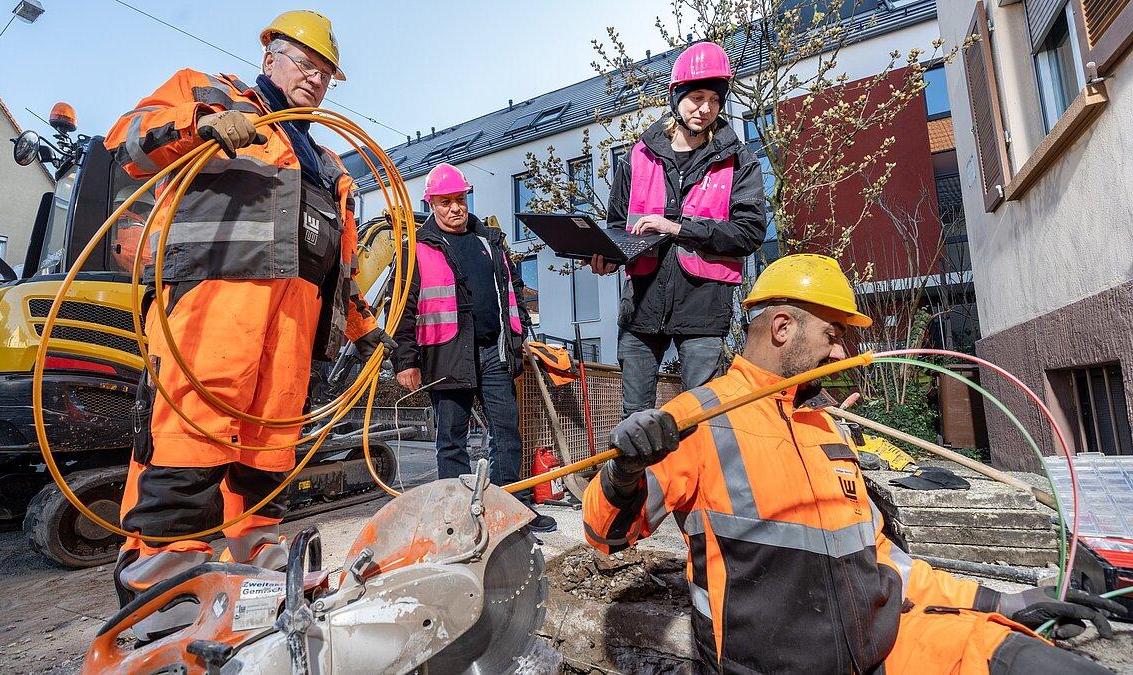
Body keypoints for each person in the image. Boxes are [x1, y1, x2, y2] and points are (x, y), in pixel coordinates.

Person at [583, 253, 1123, 673]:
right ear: (782, 329)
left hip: (883, 651)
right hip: (770, 670)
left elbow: (887, 563)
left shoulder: (825, 429)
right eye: (832, 335)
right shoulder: (697, 418)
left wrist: (1005, 600)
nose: (841, 354)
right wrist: (624, 472)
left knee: (1028, 661)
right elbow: (603, 533)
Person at [104, 10, 394, 627]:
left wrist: (365, 331)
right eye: (305, 65)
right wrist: (200, 125)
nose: (315, 81)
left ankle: (253, 571)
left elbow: (339, 262)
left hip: (292, 328)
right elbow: (130, 141)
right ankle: (166, 586)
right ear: (271, 59)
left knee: (266, 454)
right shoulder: (209, 94)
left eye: (326, 75)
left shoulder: (327, 163)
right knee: (190, 437)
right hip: (212, 309)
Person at [591, 41, 767, 417]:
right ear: (676, 96)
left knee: (699, 417)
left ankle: (696, 478)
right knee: (634, 418)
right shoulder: (638, 157)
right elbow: (617, 226)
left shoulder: (739, 161)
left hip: (704, 307)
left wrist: (677, 228)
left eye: (715, 101)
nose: (705, 109)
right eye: (697, 97)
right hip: (642, 306)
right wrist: (608, 257)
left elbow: (750, 232)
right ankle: (642, 479)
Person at [391, 163, 556, 533]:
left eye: (460, 199)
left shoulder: (490, 242)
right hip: (447, 355)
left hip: (493, 353)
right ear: (431, 204)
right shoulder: (416, 248)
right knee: (452, 439)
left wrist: (519, 337)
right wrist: (405, 360)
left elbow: (514, 292)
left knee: (507, 432)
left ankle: (509, 512)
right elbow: (401, 308)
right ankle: (459, 517)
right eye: (445, 201)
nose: (455, 208)